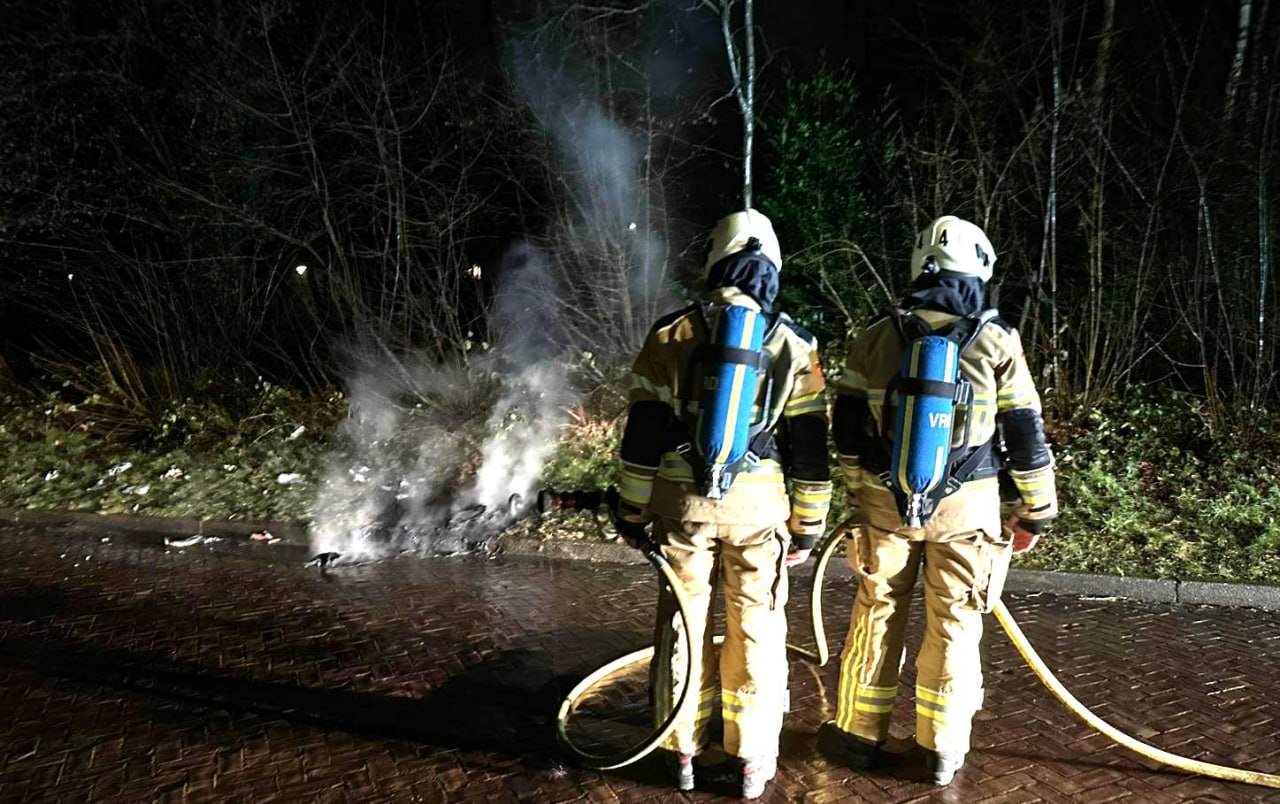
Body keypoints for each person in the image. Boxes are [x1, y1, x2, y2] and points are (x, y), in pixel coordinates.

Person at [818, 215, 1058, 785]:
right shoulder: (997, 341)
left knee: (877, 614)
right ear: (979, 272)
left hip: (884, 506)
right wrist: (1036, 512)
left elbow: (847, 431)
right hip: (968, 511)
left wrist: (861, 494)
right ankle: (941, 750)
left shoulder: (873, 337)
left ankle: (857, 735)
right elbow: (1025, 434)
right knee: (955, 623)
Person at [612, 209, 833, 799]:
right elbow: (810, 452)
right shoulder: (794, 343)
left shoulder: (671, 333)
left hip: (682, 506)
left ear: (714, 261)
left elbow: (642, 437)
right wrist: (808, 529)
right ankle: (750, 761)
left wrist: (631, 514)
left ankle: (680, 752)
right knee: (755, 629)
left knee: (683, 624)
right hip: (760, 513)